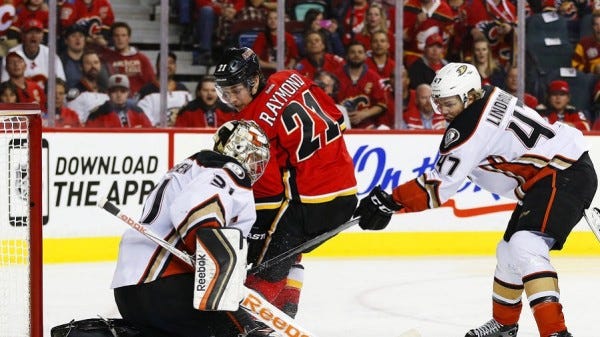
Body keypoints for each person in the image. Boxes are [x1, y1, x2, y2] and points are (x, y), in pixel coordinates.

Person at [355, 62, 597, 337]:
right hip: (552, 173)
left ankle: (555, 332)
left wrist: (390, 201)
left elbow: (437, 188)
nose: (442, 111)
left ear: (469, 96)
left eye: (448, 103)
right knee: (507, 253)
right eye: (439, 104)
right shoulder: (488, 93)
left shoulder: (469, 128)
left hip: (563, 172)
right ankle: (504, 325)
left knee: (525, 246)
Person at [213, 47, 358, 320]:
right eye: (225, 92)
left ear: (254, 81)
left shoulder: (251, 122)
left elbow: (269, 192)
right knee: (288, 249)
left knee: (266, 262)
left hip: (310, 201)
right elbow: (337, 119)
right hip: (346, 190)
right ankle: (286, 311)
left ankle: (246, 324)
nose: (231, 98)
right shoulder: (291, 77)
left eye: (235, 90)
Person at [112, 119, 272, 337]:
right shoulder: (230, 170)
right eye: (253, 157)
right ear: (237, 148)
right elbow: (197, 213)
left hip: (129, 289)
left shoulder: (191, 168)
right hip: (166, 284)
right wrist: (212, 259)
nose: (254, 166)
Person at [85, 74, 151, 128]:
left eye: (123, 91)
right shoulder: (98, 114)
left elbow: (150, 133)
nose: (119, 95)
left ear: (128, 93)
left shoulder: (137, 111)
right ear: (108, 93)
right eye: (114, 91)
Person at [173, 75, 238, 128]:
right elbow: (179, 135)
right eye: (205, 90)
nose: (209, 93)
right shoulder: (188, 111)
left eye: (213, 90)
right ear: (199, 92)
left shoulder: (228, 112)